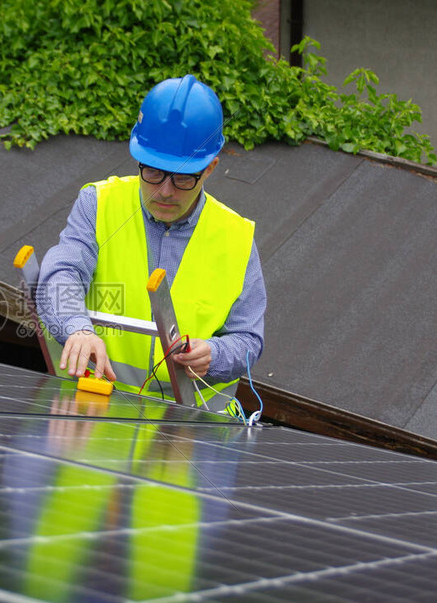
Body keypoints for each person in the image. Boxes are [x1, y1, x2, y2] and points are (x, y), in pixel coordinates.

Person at [36, 74, 266, 407]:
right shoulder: (98, 203)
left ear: (211, 167)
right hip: (99, 420)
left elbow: (248, 340)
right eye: (154, 172)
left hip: (193, 438)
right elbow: (62, 273)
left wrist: (214, 355)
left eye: (184, 177)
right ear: (139, 158)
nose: (165, 190)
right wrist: (77, 328)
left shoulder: (237, 238)